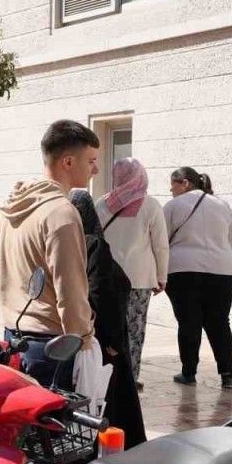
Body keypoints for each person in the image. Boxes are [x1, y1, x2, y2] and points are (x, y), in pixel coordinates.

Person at [0, 120, 97, 387]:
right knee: (55, 415)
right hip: (51, 343)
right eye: (91, 161)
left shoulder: (11, 205)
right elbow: (71, 289)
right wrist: (83, 339)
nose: (96, 169)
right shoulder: (61, 213)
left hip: (14, 335)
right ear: (68, 162)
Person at [71, 190, 147, 448]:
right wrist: (113, 341)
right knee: (110, 402)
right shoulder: (94, 245)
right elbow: (101, 294)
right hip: (102, 339)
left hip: (81, 333)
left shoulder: (68, 244)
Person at [95, 158, 169, 388]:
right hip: (139, 279)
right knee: (134, 330)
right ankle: (130, 378)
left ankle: (107, 375)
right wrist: (162, 276)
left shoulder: (102, 204)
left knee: (108, 329)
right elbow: (160, 245)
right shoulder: (151, 205)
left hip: (107, 278)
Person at [164, 167, 232, 388]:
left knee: (188, 322)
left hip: (183, 270)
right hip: (223, 270)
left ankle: (188, 372)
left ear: (185, 183)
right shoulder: (222, 204)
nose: (170, 189)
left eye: (173, 184)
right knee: (220, 323)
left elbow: (161, 240)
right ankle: (227, 374)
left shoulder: (172, 206)